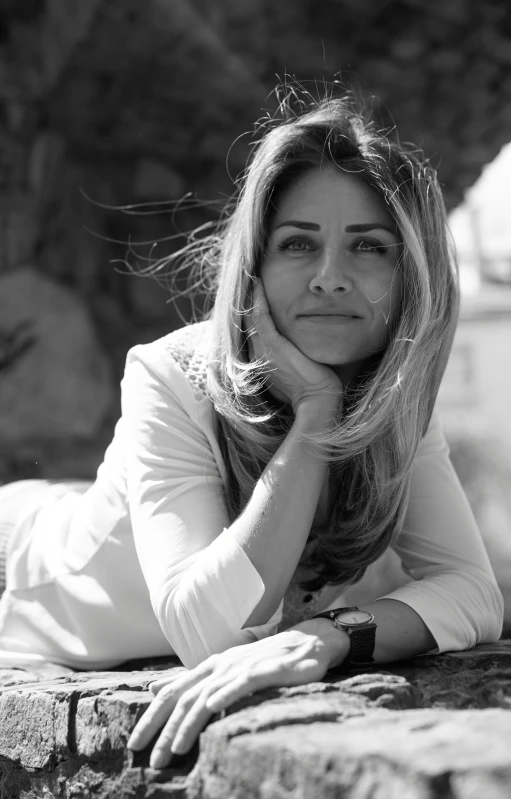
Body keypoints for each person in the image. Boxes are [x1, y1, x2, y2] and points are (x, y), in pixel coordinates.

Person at [0, 91, 503, 769]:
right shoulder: (170, 374)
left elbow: (470, 589)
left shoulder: (393, 397)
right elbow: (207, 630)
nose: (330, 278)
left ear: (410, 278)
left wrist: (334, 634)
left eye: (368, 247)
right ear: (255, 268)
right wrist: (315, 415)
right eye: (298, 243)